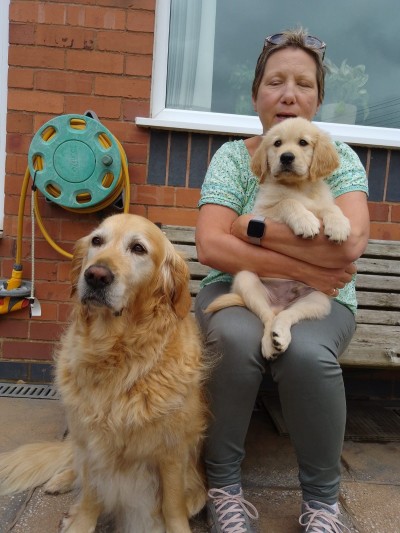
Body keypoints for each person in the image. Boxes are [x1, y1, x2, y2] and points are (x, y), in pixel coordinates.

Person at [195, 28, 370, 533]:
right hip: (243, 285)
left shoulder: (339, 158)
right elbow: (212, 246)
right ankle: (222, 487)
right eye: (275, 81)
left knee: (308, 354)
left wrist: (252, 234)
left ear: (316, 99)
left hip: (323, 297)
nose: (289, 93)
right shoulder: (234, 157)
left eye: (303, 84)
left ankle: (322, 503)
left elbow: (351, 243)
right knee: (230, 335)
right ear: (256, 95)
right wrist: (304, 259)